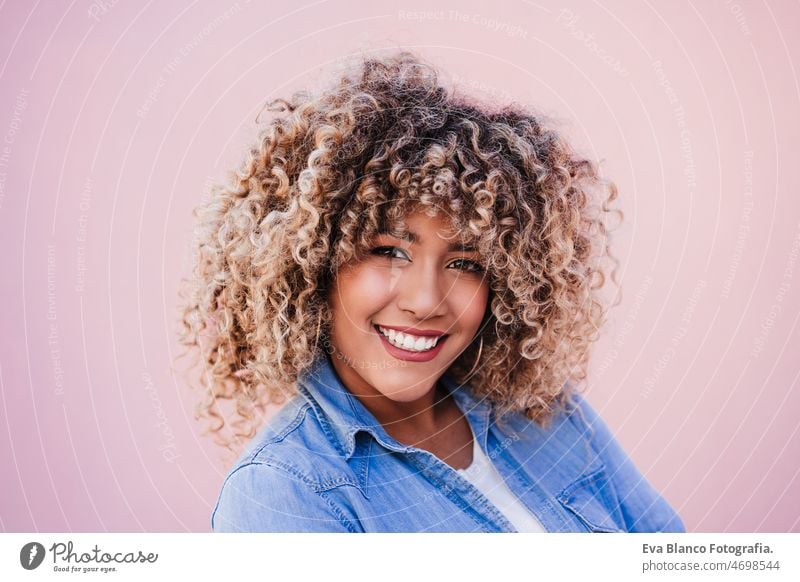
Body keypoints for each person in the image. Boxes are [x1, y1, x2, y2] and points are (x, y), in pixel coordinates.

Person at [179, 52, 685, 533]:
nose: (425, 301)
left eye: (465, 262)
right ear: (310, 266)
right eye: (390, 251)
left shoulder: (541, 410)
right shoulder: (285, 493)